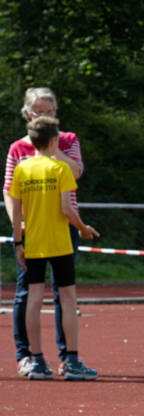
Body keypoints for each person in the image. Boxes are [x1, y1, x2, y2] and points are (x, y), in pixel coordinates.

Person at [4, 87, 88, 378]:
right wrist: (19, 230)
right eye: (40, 112)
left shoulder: (68, 140)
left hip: (63, 231)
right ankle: (28, 355)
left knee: (61, 292)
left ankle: (67, 357)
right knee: (28, 293)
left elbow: (76, 171)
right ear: (28, 114)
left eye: (50, 112)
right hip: (33, 231)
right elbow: (9, 193)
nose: (46, 116)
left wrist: (54, 150)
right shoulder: (18, 149)